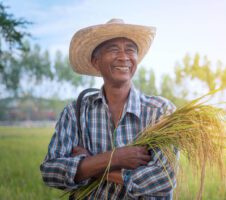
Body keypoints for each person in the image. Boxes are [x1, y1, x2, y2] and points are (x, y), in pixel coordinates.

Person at [40, 19, 177, 199]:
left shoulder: (160, 112)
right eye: (113, 49)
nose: (123, 56)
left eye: (130, 49)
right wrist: (116, 158)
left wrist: (93, 165)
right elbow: (50, 171)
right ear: (96, 62)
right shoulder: (75, 112)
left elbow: (163, 180)